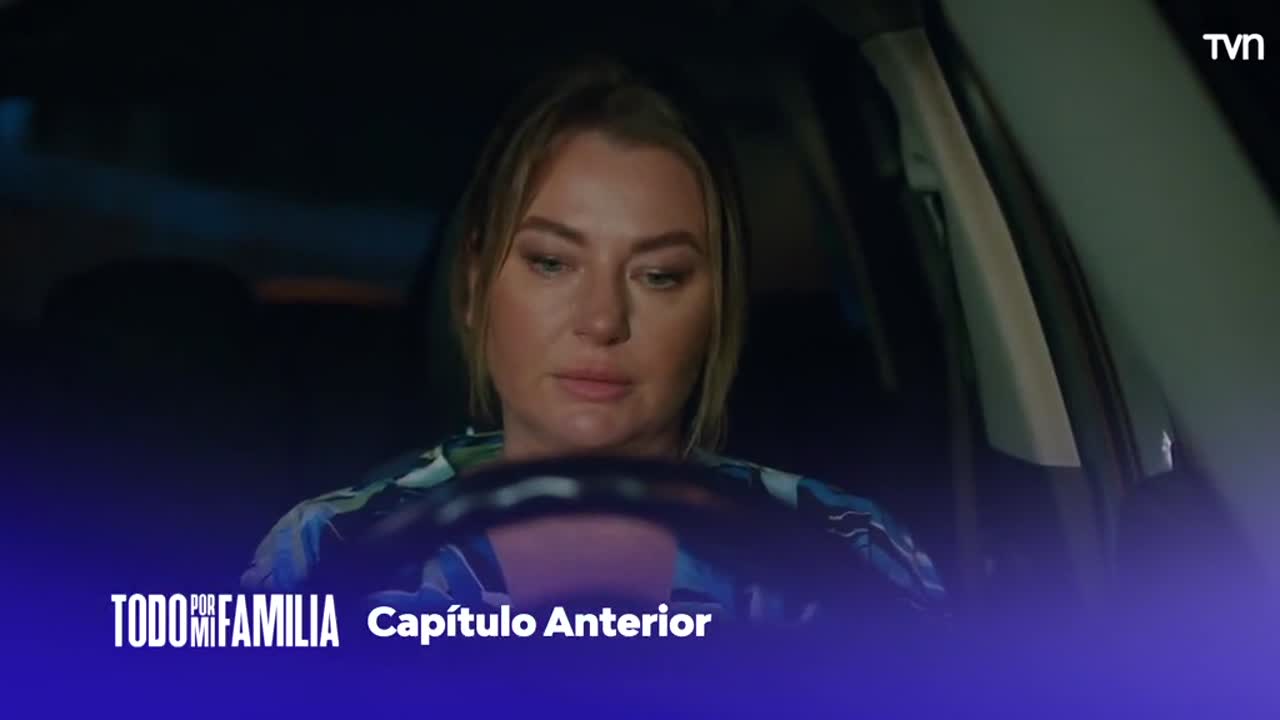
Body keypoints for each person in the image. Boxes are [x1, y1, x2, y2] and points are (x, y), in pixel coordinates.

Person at [241, 59, 945, 622]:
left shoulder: (847, 553)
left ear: (718, 306)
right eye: (552, 263)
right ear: (476, 281)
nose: (602, 320)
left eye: (659, 275)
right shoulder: (326, 551)